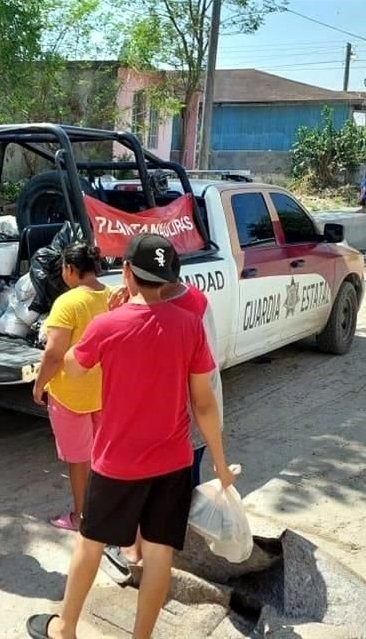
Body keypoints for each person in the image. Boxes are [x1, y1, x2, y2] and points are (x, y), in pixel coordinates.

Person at [26, 234, 234, 639]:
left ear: (126, 273)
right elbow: (204, 403)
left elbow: (72, 367)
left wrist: (106, 322)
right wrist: (221, 464)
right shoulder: (189, 326)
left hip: (117, 461)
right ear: (170, 278)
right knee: (159, 554)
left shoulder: (107, 324)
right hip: (172, 462)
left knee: (90, 543)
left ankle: (64, 628)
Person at [102, 261, 224, 581]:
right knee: (178, 497)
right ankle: (167, 556)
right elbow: (209, 372)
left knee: (147, 498)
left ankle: (138, 556)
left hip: (168, 424)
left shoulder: (153, 315)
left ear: (133, 272)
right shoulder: (197, 301)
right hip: (194, 423)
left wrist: (122, 309)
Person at [32, 242, 111, 532]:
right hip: (103, 391)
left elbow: (53, 355)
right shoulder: (112, 295)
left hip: (71, 394)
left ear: (70, 269)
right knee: (101, 455)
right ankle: (103, 509)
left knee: (78, 460)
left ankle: (81, 517)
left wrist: (39, 384)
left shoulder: (68, 302)